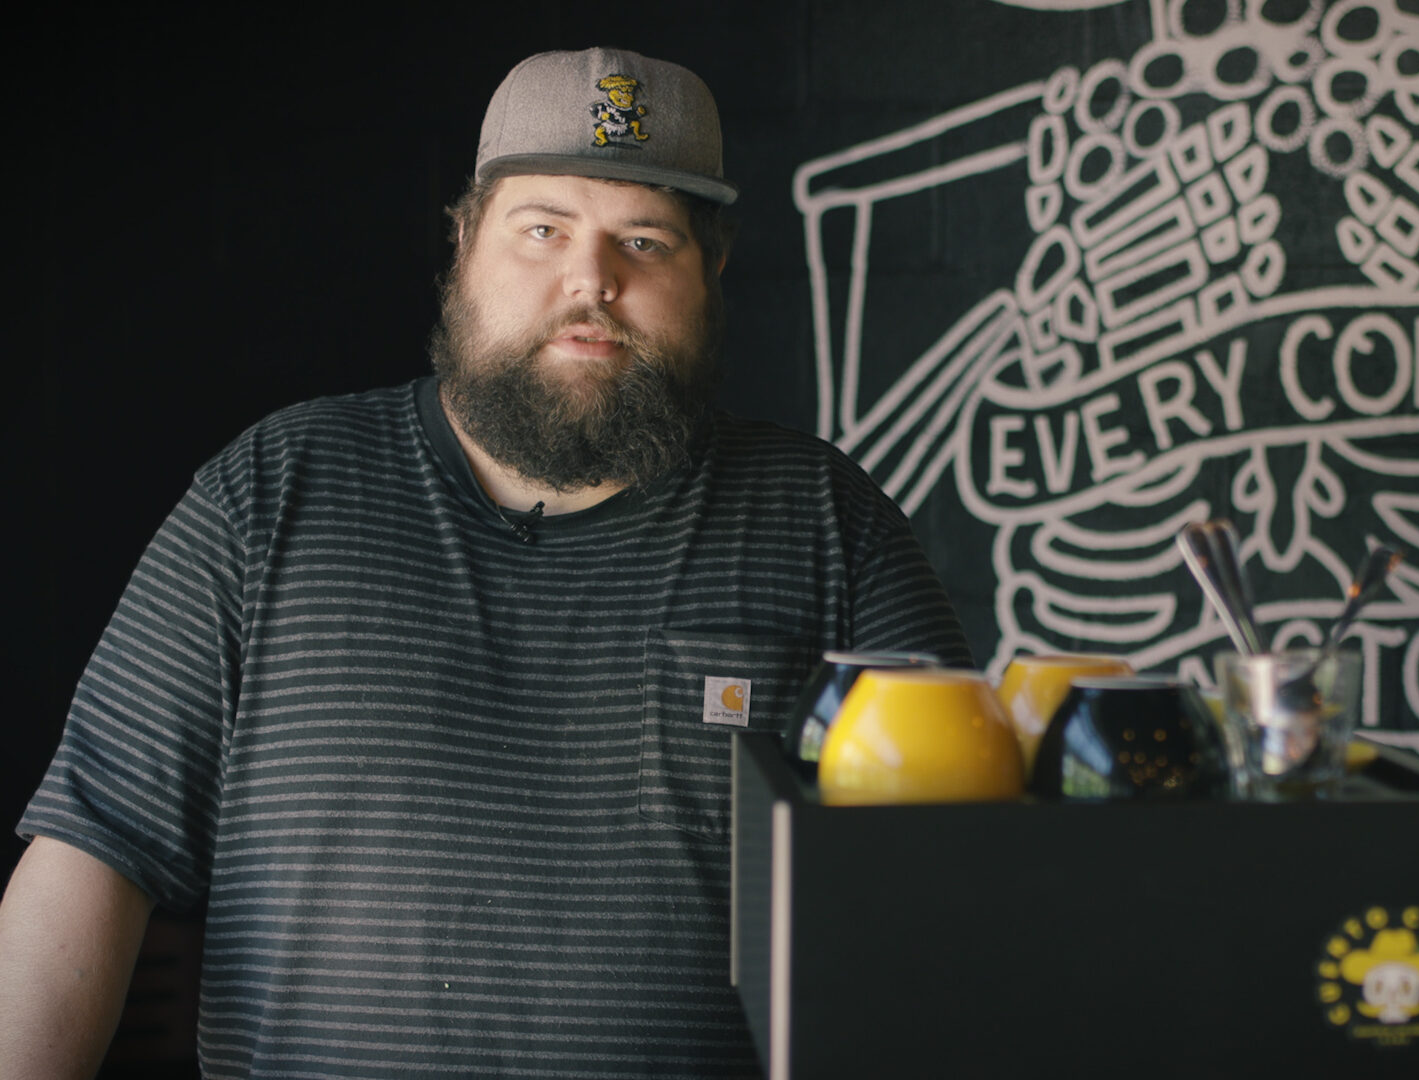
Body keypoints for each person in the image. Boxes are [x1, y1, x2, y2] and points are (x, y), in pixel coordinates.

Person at [0, 47, 971, 1079]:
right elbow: (87, 863)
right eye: (543, 228)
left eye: (644, 239)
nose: (591, 279)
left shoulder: (823, 519)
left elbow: (957, 887)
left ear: (712, 269)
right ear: (464, 241)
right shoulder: (271, 492)